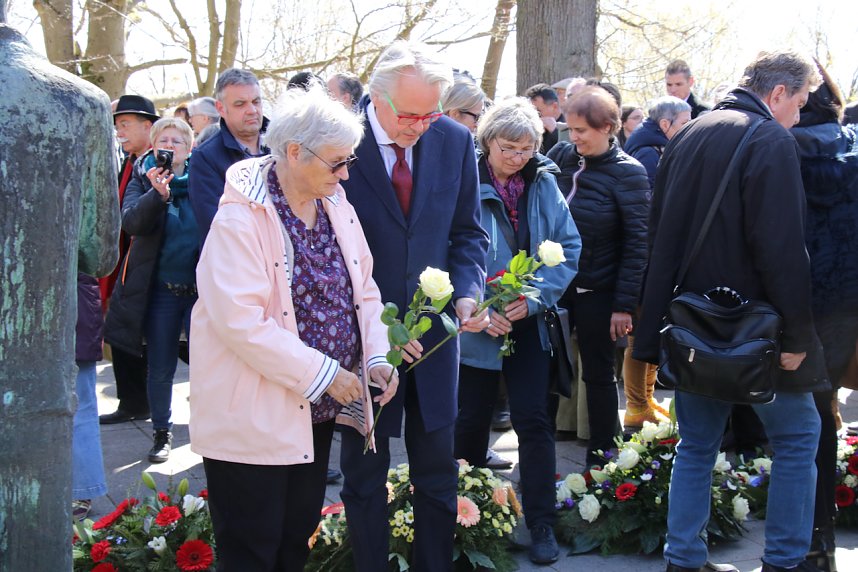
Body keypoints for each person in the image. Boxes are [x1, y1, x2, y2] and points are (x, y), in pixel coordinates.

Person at [634, 50, 826, 572]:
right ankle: (784, 561)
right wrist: (798, 337)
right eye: (800, 103)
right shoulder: (770, 139)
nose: (798, 116)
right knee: (797, 439)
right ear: (778, 93)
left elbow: (659, 237)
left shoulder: (688, 132)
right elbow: (782, 250)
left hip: (693, 325)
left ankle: (682, 559)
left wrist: (655, 324)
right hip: (758, 330)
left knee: (696, 445)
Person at [189, 85, 395, 571]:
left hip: (315, 410)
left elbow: (364, 289)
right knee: (252, 547)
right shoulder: (239, 219)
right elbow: (241, 322)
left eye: (349, 161)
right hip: (253, 414)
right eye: (337, 163)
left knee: (294, 539)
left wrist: (377, 357)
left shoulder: (336, 203)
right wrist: (326, 375)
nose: (345, 174)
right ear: (296, 152)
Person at [338, 41, 489, 572]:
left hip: (435, 338)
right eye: (408, 116)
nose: (419, 127)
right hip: (364, 341)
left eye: (431, 114)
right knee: (364, 477)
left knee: (438, 474)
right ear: (376, 98)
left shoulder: (453, 140)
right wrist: (374, 330)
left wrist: (467, 291)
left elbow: (469, 233)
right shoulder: (340, 141)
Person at [454, 98, 581, 564]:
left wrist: (534, 299)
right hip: (476, 321)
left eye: (527, 148)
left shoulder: (543, 181)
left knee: (534, 420)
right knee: (469, 422)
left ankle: (541, 523)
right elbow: (451, 246)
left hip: (528, 321)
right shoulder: (464, 180)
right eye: (508, 148)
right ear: (487, 141)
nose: (517, 157)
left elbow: (568, 245)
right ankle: (467, 521)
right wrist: (476, 305)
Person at [547, 87, 649, 467]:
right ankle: (540, 456)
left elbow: (637, 244)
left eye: (581, 131)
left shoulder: (629, 173)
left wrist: (624, 305)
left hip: (598, 290)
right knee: (546, 370)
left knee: (599, 374)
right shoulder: (562, 157)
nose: (573, 138)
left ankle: (604, 459)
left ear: (607, 127)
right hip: (555, 287)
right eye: (570, 129)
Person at [792, 64, 858, 572]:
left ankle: (813, 537)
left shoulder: (783, 151)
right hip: (848, 300)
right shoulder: (853, 150)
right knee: (826, 411)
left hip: (802, 301)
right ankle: (820, 539)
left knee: (808, 421)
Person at [104, 118, 199, 463]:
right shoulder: (142, 178)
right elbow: (132, 222)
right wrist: (156, 195)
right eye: (164, 141)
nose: (169, 146)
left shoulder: (203, 179)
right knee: (160, 366)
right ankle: (162, 432)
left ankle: (210, 429)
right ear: (154, 146)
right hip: (161, 291)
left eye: (177, 141)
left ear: (189, 149)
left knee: (208, 365)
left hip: (201, 292)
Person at [99, 95, 159, 426]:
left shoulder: (152, 163)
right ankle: (133, 401)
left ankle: (141, 402)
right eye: (118, 125)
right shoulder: (130, 161)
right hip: (126, 260)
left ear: (147, 126)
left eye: (125, 124)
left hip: (146, 262)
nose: (119, 131)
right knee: (123, 332)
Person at [189, 68, 269, 245]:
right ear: (221, 108)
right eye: (240, 104)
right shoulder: (205, 158)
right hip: (238, 254)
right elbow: (217, 224)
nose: (252, 110)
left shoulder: (283, 145)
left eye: (256, 102)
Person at [72, 273, 109, 521]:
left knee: (81, 402)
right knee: (81, 404)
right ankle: (81, 489)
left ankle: (82, 488)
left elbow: (104, 261)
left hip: (74, 297)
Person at [624, 96, 691, 189]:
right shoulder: (648, 153)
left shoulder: (658, 145)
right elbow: (646, 193)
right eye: (685, 123)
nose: (690, 128)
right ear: (665, 124)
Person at [525, 83, 563, 154]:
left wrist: (555, 132)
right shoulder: (530, 124)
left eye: (538, 112)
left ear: (554, 106)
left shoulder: (570, 124)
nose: (534, 116)